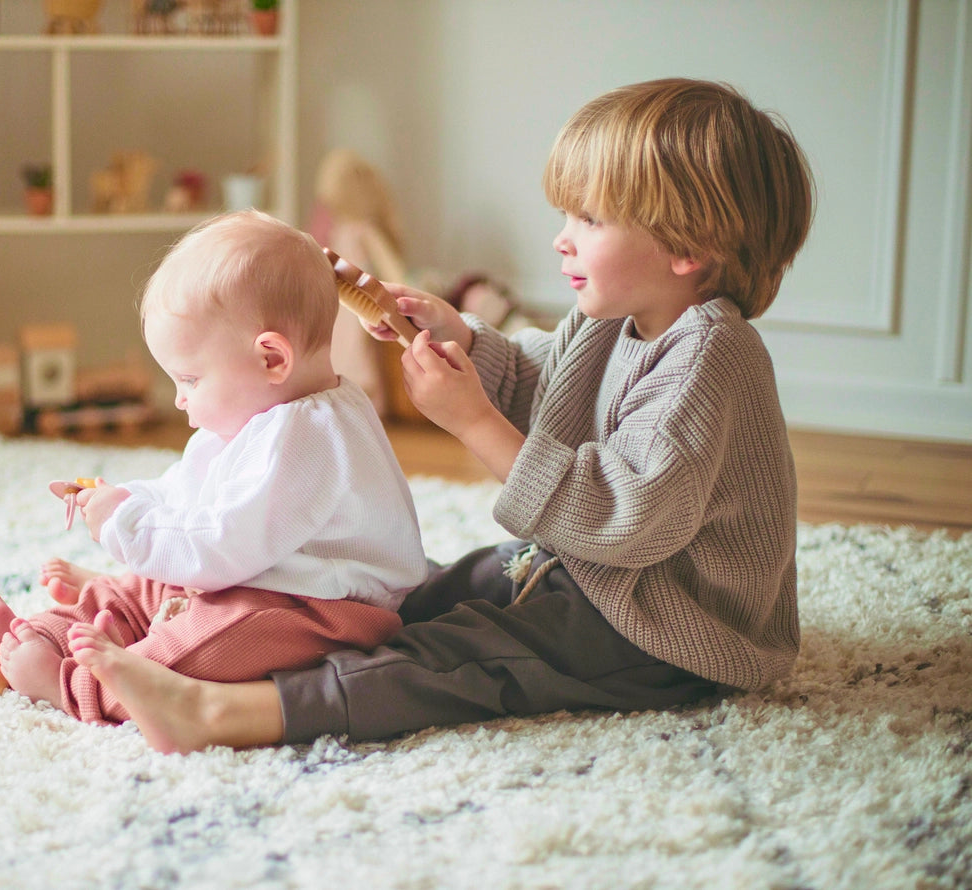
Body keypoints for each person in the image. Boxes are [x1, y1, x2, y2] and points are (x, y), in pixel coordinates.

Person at [64, 77, 816, 753]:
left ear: (684, 248)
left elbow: (629, 521)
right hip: (586, 575)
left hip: (665, 628)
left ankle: (224, 713)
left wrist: (472, 423)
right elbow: (540, 384)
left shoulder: (711, 357)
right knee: (414, 601)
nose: (561, 237)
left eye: (587, 218)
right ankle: (235, 643)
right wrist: (454, 335)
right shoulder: (614, 320)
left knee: (452, 662)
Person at [0, 209, 429, 724]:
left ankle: (70, 685)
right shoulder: (258, 411)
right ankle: (44, 634)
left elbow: (219, 544)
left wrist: (124, 526)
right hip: (245, 573)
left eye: (190, 380)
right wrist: (130, 503)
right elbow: (186, 494)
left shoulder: (308, 438)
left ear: (272, 359)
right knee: (141, 588)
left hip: (319, 607)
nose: (180, 400)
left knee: (203, 646)